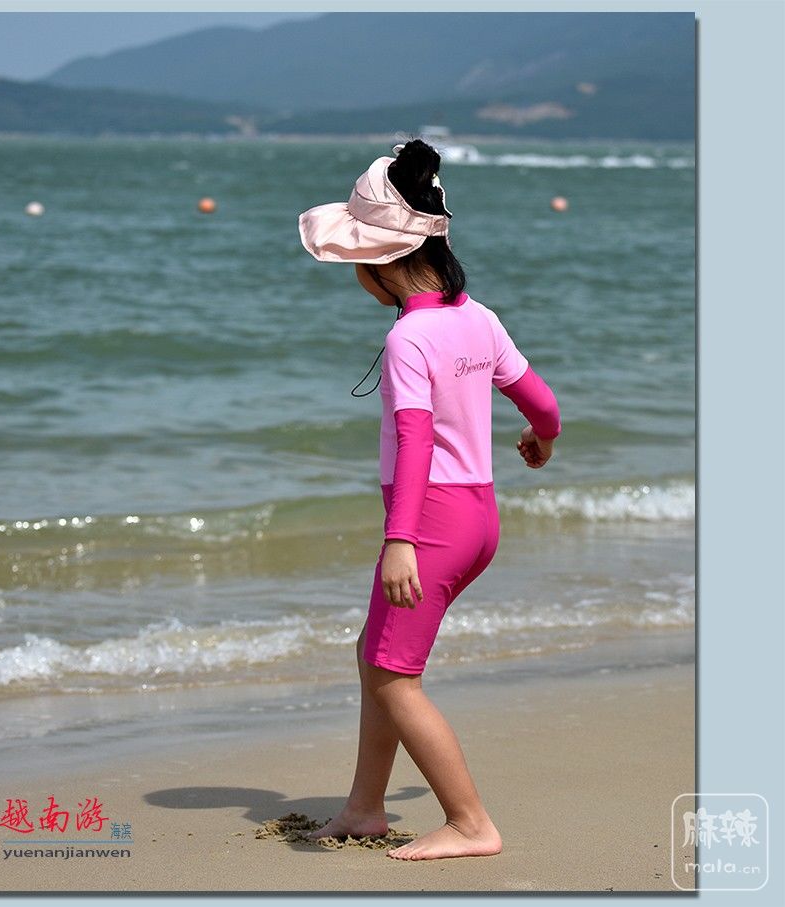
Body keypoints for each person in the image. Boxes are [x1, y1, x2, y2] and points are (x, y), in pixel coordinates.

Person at [297, 139, 562, 861]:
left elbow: (415, 442)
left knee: (393, 675)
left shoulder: (410, 338)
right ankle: (365, 806)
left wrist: (399, 540)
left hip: (431, 524)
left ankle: (471, 822)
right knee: (375, 654)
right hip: (478, 517)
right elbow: (542, 402)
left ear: (380, 262)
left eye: (356, 263)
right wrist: (541, 439)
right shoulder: (479, 318)